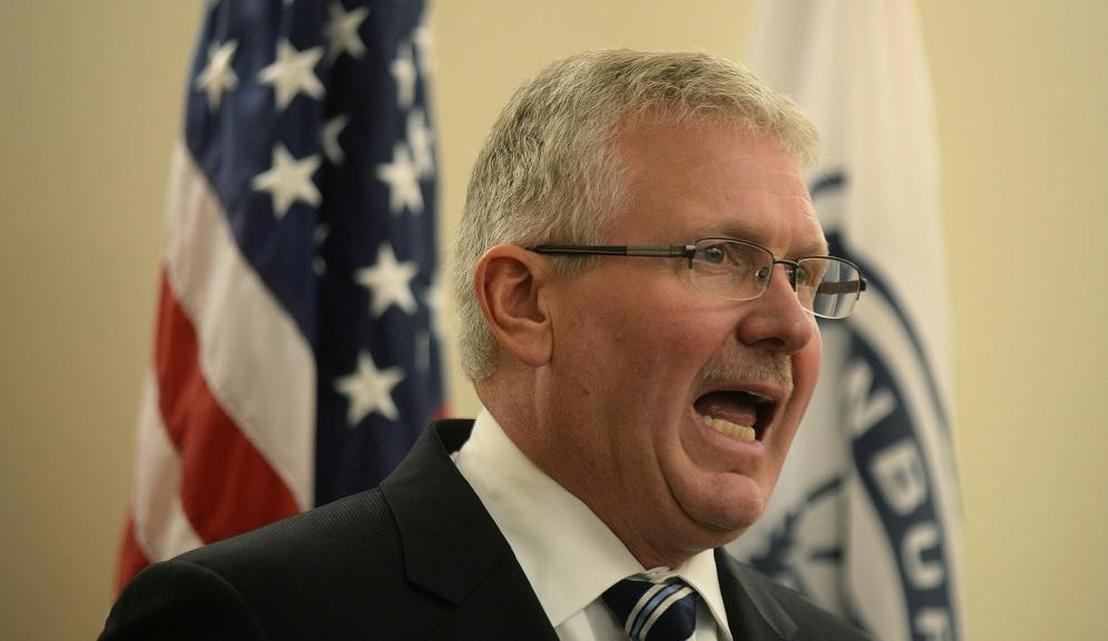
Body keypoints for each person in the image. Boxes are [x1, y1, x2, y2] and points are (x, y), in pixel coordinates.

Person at [100, 49, 872, 641]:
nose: (794, 324)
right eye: (718, 257)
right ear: (524, 302)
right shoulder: (247, 618)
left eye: (805, 276)